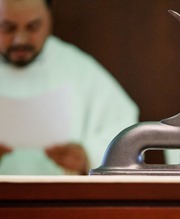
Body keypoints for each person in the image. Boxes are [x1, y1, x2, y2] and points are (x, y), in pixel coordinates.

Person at [0, 0, 139, 175]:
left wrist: (87, 156)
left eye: (33, 27)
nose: (20, 39)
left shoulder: (78, 68)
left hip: (62, 198)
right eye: (7, 27)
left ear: (50, 16)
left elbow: (126, 130)